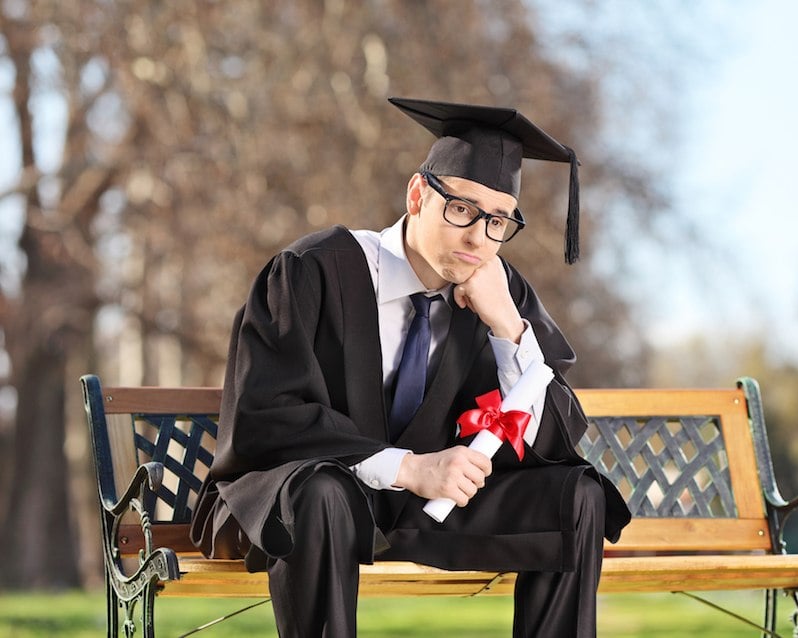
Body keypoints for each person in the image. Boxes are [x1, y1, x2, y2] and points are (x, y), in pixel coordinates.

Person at [190, 97, 631, 637]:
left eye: (498, 221)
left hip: (426, 511)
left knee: (577, 496)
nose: (478, 238)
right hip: (301, 503)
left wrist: (508, 330)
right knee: (322, 494)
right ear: (418, 194)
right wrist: (410, 468)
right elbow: (265, 417)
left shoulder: (499, 290)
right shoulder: (312, 272)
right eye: (463, 209)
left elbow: (555, 434)